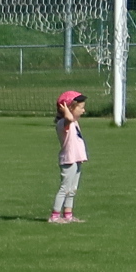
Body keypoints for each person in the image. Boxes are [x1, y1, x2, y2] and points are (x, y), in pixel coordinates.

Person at [50, 90, 88, 224]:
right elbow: (69, 119)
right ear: (69, 108)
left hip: (76, 158)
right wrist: (65, 109)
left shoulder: (74, 122)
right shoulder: (63, 123)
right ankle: (54, 216)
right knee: (65, 189)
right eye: (80, 108)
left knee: (72, 189)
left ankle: (68, 215)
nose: (83, 111)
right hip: (69, 160)